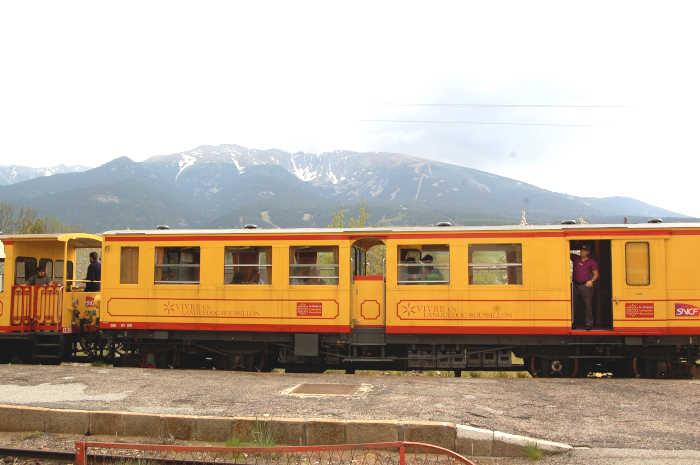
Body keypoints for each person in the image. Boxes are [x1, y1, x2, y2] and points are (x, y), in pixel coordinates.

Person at [570, 244, 599, 330]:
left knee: (587, 305)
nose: (582, 251)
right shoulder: (576, 258)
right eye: (581, 250)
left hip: (585, 286)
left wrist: (591, 281)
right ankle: (574, 323)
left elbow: (596, 274)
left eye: (584, 250)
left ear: (588, 252)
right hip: (575, 285)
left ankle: (589, 324)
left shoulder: (592, 262)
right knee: (574, 305)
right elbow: (564, 250)